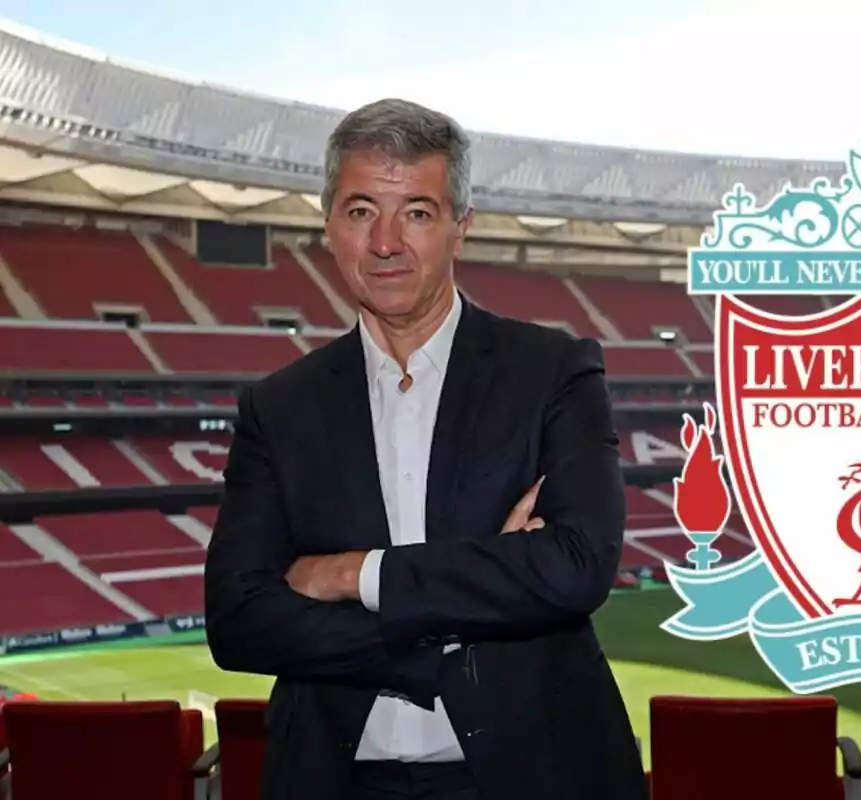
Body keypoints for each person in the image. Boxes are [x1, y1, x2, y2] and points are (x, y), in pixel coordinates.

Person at [203, 98, 647, 800]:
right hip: (338, 779)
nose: (385, 243)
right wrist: (460, 608)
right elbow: (238, 622)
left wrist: (356, 577)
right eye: (359, 212)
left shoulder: (554, 370)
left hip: (532, 776)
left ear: (459, 228)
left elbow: (575, 567)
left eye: (416, 211)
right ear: (328, 227)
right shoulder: (278, 406)